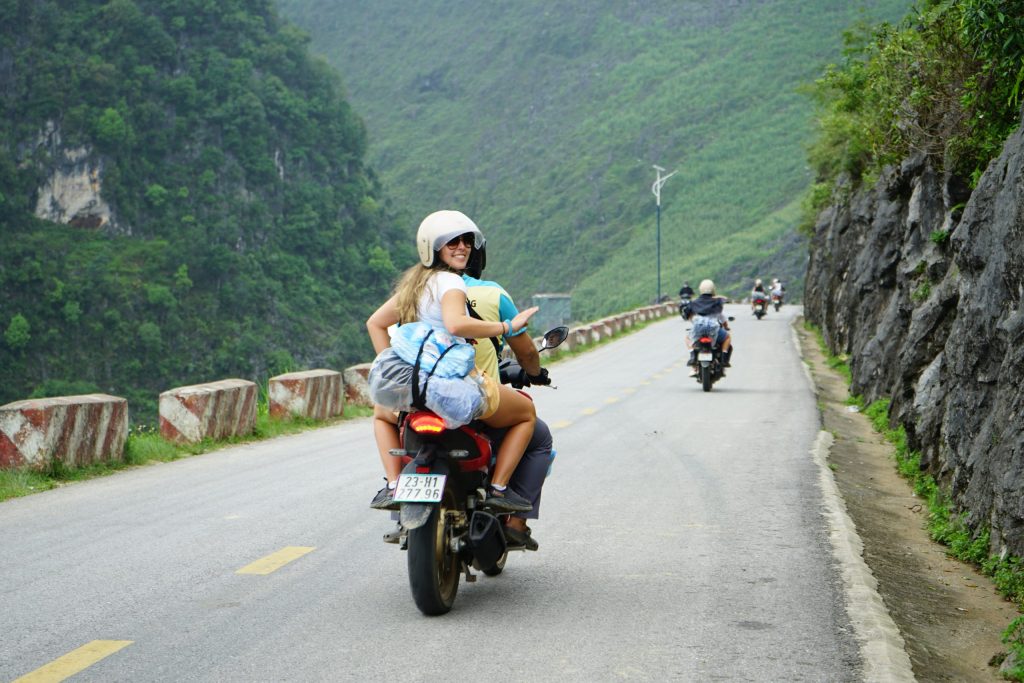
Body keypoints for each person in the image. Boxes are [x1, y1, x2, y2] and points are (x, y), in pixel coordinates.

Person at [366, 210, 538, 518]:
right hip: (451, 387)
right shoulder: (452, 283)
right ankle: (498, 488)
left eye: (466, 241)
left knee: (381, 416)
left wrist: (391, 365)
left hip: (412, 386)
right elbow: (456, 325)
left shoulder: (415, 284)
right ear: (434, 248)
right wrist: (506, 328)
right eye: (452, 243)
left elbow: (375, 323)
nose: (462, 247)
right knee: (526, 413)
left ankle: (393, 484)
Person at [461, 240, 552, 550]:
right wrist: (536, 373)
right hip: (477, 400)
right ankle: (513, 516)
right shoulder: (492, 294)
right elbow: (526, 351)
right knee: (539, 437)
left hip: (423, 395)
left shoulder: (415, 291)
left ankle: (395, 486)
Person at [686, 279, 732, 377]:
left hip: (698, 329)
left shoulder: (695, 302)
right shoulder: (717, 302)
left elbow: (689, 316)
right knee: (727, 337)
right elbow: (722, 318)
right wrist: (726, 327)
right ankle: (723, 357)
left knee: (687, 338)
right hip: (713, 329)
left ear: (700, 289)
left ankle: (693, 356)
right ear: (713, 289)